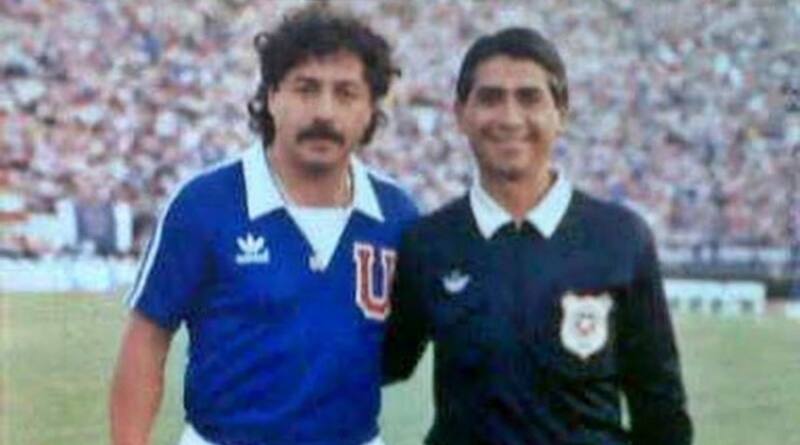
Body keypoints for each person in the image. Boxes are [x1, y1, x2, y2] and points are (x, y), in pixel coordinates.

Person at [110, 5, 417, 445]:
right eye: (306, 89)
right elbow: (146, 341)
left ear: (371, 110)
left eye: (346, 93)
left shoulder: (398, 215)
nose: (324, 112)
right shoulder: (205, 203)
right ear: (272, 95)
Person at [383, 27, 693, 444]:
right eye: (491, 98)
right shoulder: (429, 242)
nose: (510, 118)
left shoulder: (621, 238)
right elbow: (387, 361)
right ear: (460, 115)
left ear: (560, 113)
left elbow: (661, 408)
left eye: (529, 98)